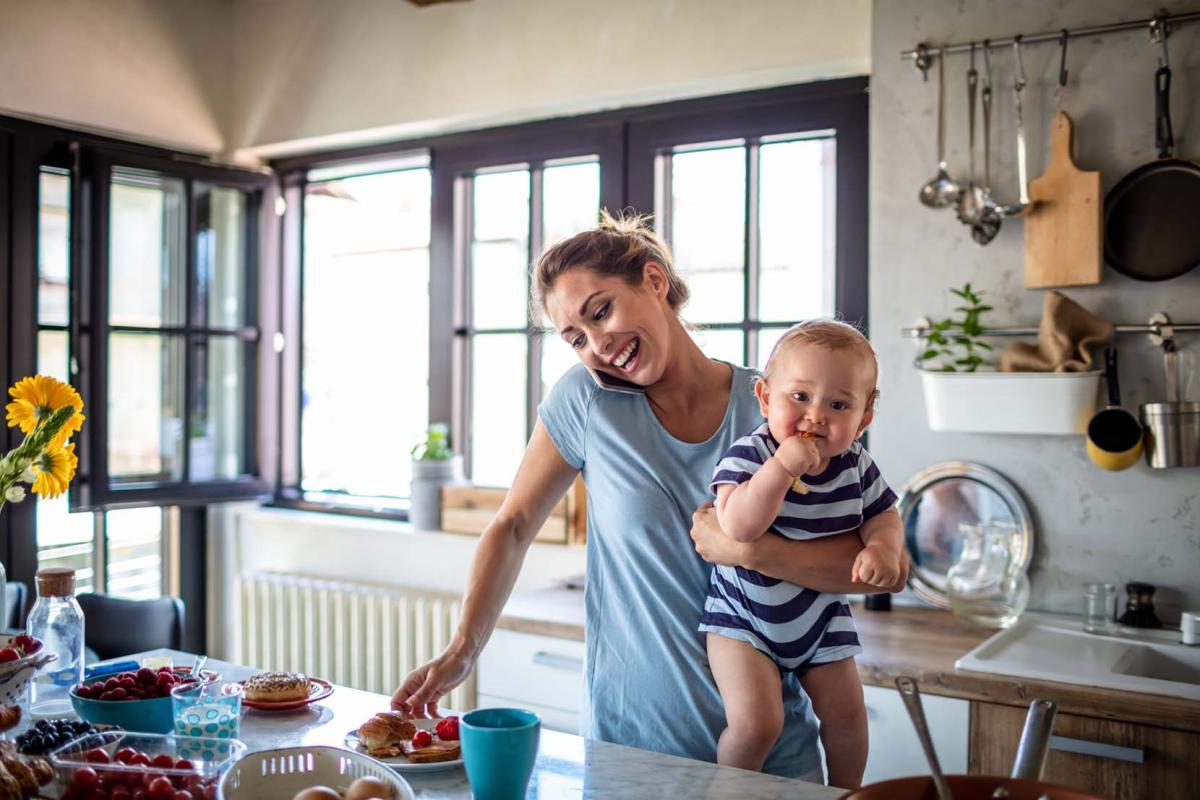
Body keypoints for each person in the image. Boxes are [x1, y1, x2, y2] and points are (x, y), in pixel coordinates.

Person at [389, 212, 907, 781]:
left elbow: (864, 565)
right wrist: (463, 649)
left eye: (601, 310)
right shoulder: (586, 403)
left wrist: (745, 551)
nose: (598, 345)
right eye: (575, 338)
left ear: (654, 282)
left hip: (772, 764)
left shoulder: (779, 407)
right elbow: (513, 526)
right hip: (630, 753)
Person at [701, 320, 903, 788]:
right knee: (757, 724)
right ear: (765, 397)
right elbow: (738, 528)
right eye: (800, 397)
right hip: (742, 619)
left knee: (850, 717)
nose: (816, 416)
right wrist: (783, 465)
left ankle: (847, 793)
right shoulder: (749, 454)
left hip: (821, 618)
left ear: (863, 420)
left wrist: (883, 547)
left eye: (838, 405)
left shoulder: (856, 465)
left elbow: (883, 514)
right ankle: (726, 794)